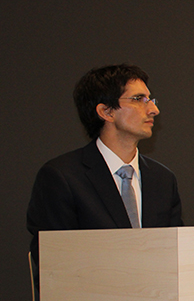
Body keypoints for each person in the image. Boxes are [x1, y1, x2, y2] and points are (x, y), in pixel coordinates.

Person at [27, 64, 183, 270]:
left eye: (150, 99)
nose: (154, 110)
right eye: (138, 99)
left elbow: (176, 258)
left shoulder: (162, 179)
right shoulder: (62, 177)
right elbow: (55, 266)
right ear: (106, 112)